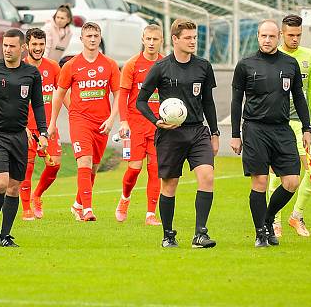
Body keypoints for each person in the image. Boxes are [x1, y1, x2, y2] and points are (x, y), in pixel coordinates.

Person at [135, 19, 219, 248]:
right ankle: (168, 235)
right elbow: (140, 101)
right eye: (188, 38)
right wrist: (157, 122)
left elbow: (208, 103)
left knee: (207, 177)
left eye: (195, 38)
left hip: (197, 131)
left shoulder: (203, 66)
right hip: (170, 134)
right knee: (169, 185)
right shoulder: (161, 67)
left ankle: (200, 234)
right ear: (175, 39)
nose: (193, 42)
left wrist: (215, 133)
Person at [230, 19, 311, 248]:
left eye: (272, 36)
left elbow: (299, 97)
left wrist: (307, 128)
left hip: (282, 128)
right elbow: (236, 102)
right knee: (260, 181)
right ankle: (260, 234)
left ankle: (267, 219)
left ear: (279, 38)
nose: (267, 40)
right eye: (263, 36)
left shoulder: (290, 64)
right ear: (257, 37)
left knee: (292, 181)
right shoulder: (246, 65)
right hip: (255, 129)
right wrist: (235, 134)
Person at [0, 28, 48, 247]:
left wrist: (43, 132)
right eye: (5, 45)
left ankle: (5, 235)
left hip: (19, 136)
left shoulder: (31, 74)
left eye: (12, 46)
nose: (7, 50)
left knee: (14, 187)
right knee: (1, 183)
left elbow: (38, 104)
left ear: (23, 48)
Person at [48, 22, 120, 222]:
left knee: (93, 168)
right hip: (79, 120)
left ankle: (78, 204)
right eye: (88, 36)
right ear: (81, 39)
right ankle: (87, 210)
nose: (92, 39)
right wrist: (53, 123)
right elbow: (59, 94)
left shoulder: (110, 65)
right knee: (84, 162)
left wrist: (112, 118)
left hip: (102, 123)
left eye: (95, 35)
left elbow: (118, 94)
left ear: (100, 38)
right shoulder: (72, 65)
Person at [265, 14, 311, 238]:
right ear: (282, 34)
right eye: (290, 35)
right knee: (275, 174)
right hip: (278, 123)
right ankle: (276, 221)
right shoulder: (273, 57)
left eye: (298, 35)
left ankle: (296, 216)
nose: (295, 39)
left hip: (301, 123)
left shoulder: (309, 56)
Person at [117, 24, 164, 226]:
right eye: (148, 39)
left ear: (161, 41)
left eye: (155, 39)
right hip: (136, 124)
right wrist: (124, 121)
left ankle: (150, 214)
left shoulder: (166, 64)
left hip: (159, 125)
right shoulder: (132, 64)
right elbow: (123, 95)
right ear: (143, 40)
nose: (151, 43)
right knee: (135, 168)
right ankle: (125, 198)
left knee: (155, 170)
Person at [19, 28, 63, 220]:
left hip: (48, 128)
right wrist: (22, 126)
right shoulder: (19, 68)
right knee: (26, 168)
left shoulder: (53, 67)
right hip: (25, 129)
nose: (38, 48)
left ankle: (37, 196)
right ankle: (27, 208)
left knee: (55, 165)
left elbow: (62, 93)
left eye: (41, 44)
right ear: (26, 46)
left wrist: (75, 112)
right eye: (34, 44)